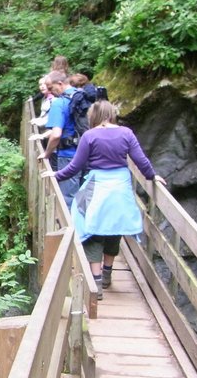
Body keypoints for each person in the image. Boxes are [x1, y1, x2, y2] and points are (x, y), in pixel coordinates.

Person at [41, 100, 167, 299]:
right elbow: (140, 159)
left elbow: (75, 166)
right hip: (120, 186)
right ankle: (107, 273)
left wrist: (56, 175)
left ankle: (96, 281)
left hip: (97, 184)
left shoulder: (90, 135)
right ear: (111, 114)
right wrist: (152, 176)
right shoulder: (126, 133)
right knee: (114, 227)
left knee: (90, 227)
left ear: (93, 116)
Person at [36, 71, 80, 201]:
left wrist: (47, 153)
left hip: (68, 155)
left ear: (60, 84)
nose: (50, 91)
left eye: (51, 88)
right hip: (88, 153)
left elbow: (56, 134)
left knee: (67, 197)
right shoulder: (80, 96)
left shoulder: (59, 103)